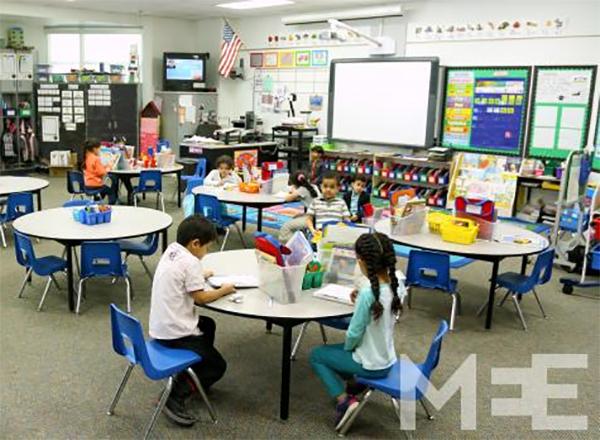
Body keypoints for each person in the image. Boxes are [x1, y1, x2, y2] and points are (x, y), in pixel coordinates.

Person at [310, 232, 404, 430]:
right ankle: (355, 384)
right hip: (388, 359)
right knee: (339, 353)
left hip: (369, 363)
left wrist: (348, 348)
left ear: (361, 262)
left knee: (317, 355)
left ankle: (345, 401)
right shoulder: (397, 285)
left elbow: (353, 335)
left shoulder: (369, 294)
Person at [150, 215, 236, 427]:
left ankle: (192, 371)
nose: (206, 252)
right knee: (218, 367)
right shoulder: (191, 262)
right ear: (195, 243)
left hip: (161, 326)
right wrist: (224, 290)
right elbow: (201, 298)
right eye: (206, 247)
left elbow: (182, 275)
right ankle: (174, 396)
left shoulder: (173, 250)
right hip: (176, 333)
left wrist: (200, 274)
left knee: (207, 324)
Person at [278, 170, 320, 242]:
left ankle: (296, 245)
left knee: (286, 227)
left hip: (313, 219)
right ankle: (303, 237)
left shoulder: (302, 190)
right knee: (296, 216)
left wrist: (294, 190)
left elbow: (287, 198)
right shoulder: (314, 187)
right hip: (318, 216)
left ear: (294, 183)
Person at [306, 171, 351, 235]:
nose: (328, 189)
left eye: (332, 187)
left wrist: (345, 228)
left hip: (336, 234)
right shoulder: (315, 202)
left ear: (338, 188)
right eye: (325, 186)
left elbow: (347, 219)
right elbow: (308, 219)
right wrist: (312, 230)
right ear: (321, 186)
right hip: (320, 234)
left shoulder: (341, 203)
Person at [81, 139, 118, 204]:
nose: (100, 151)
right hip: (96, 184)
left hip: (87, 185)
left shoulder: (87, 157)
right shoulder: (96, 158)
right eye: (99, 149)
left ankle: (98, 201)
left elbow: (95, 169)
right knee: (111, 190)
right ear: (94, 149)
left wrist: (105, 166)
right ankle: (112, 205)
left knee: (105, 188)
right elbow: (102, 173)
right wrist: (108, 168)